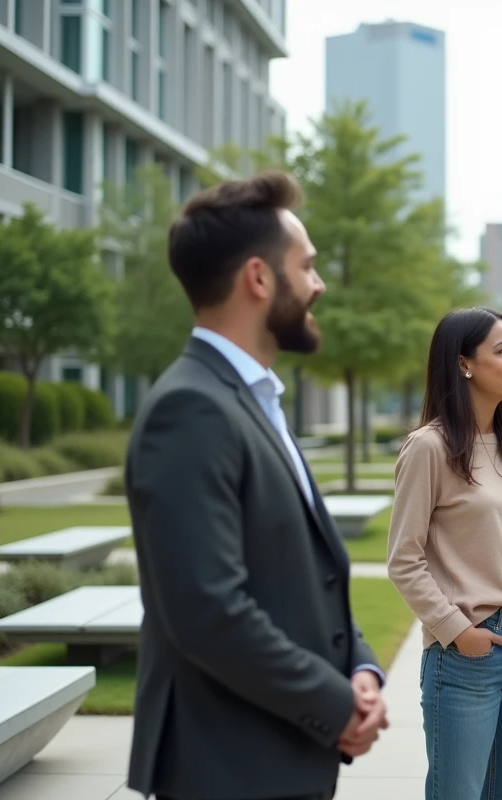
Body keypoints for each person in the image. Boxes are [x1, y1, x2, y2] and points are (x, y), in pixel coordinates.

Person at [124, 171, 389, 800]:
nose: (319, 284)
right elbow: (208, 611)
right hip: (227, 768)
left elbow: (308, 573)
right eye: (308, 266)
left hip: (277, 757)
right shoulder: (189, 409)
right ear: (259, 279)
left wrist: (361, 667)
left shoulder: (253, 400)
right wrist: (335, 703)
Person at [387, 306, 502, 799]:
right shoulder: (428, 449)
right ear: (463, 363)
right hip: (469, 651)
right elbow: (403, 559)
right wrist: (456, 632)